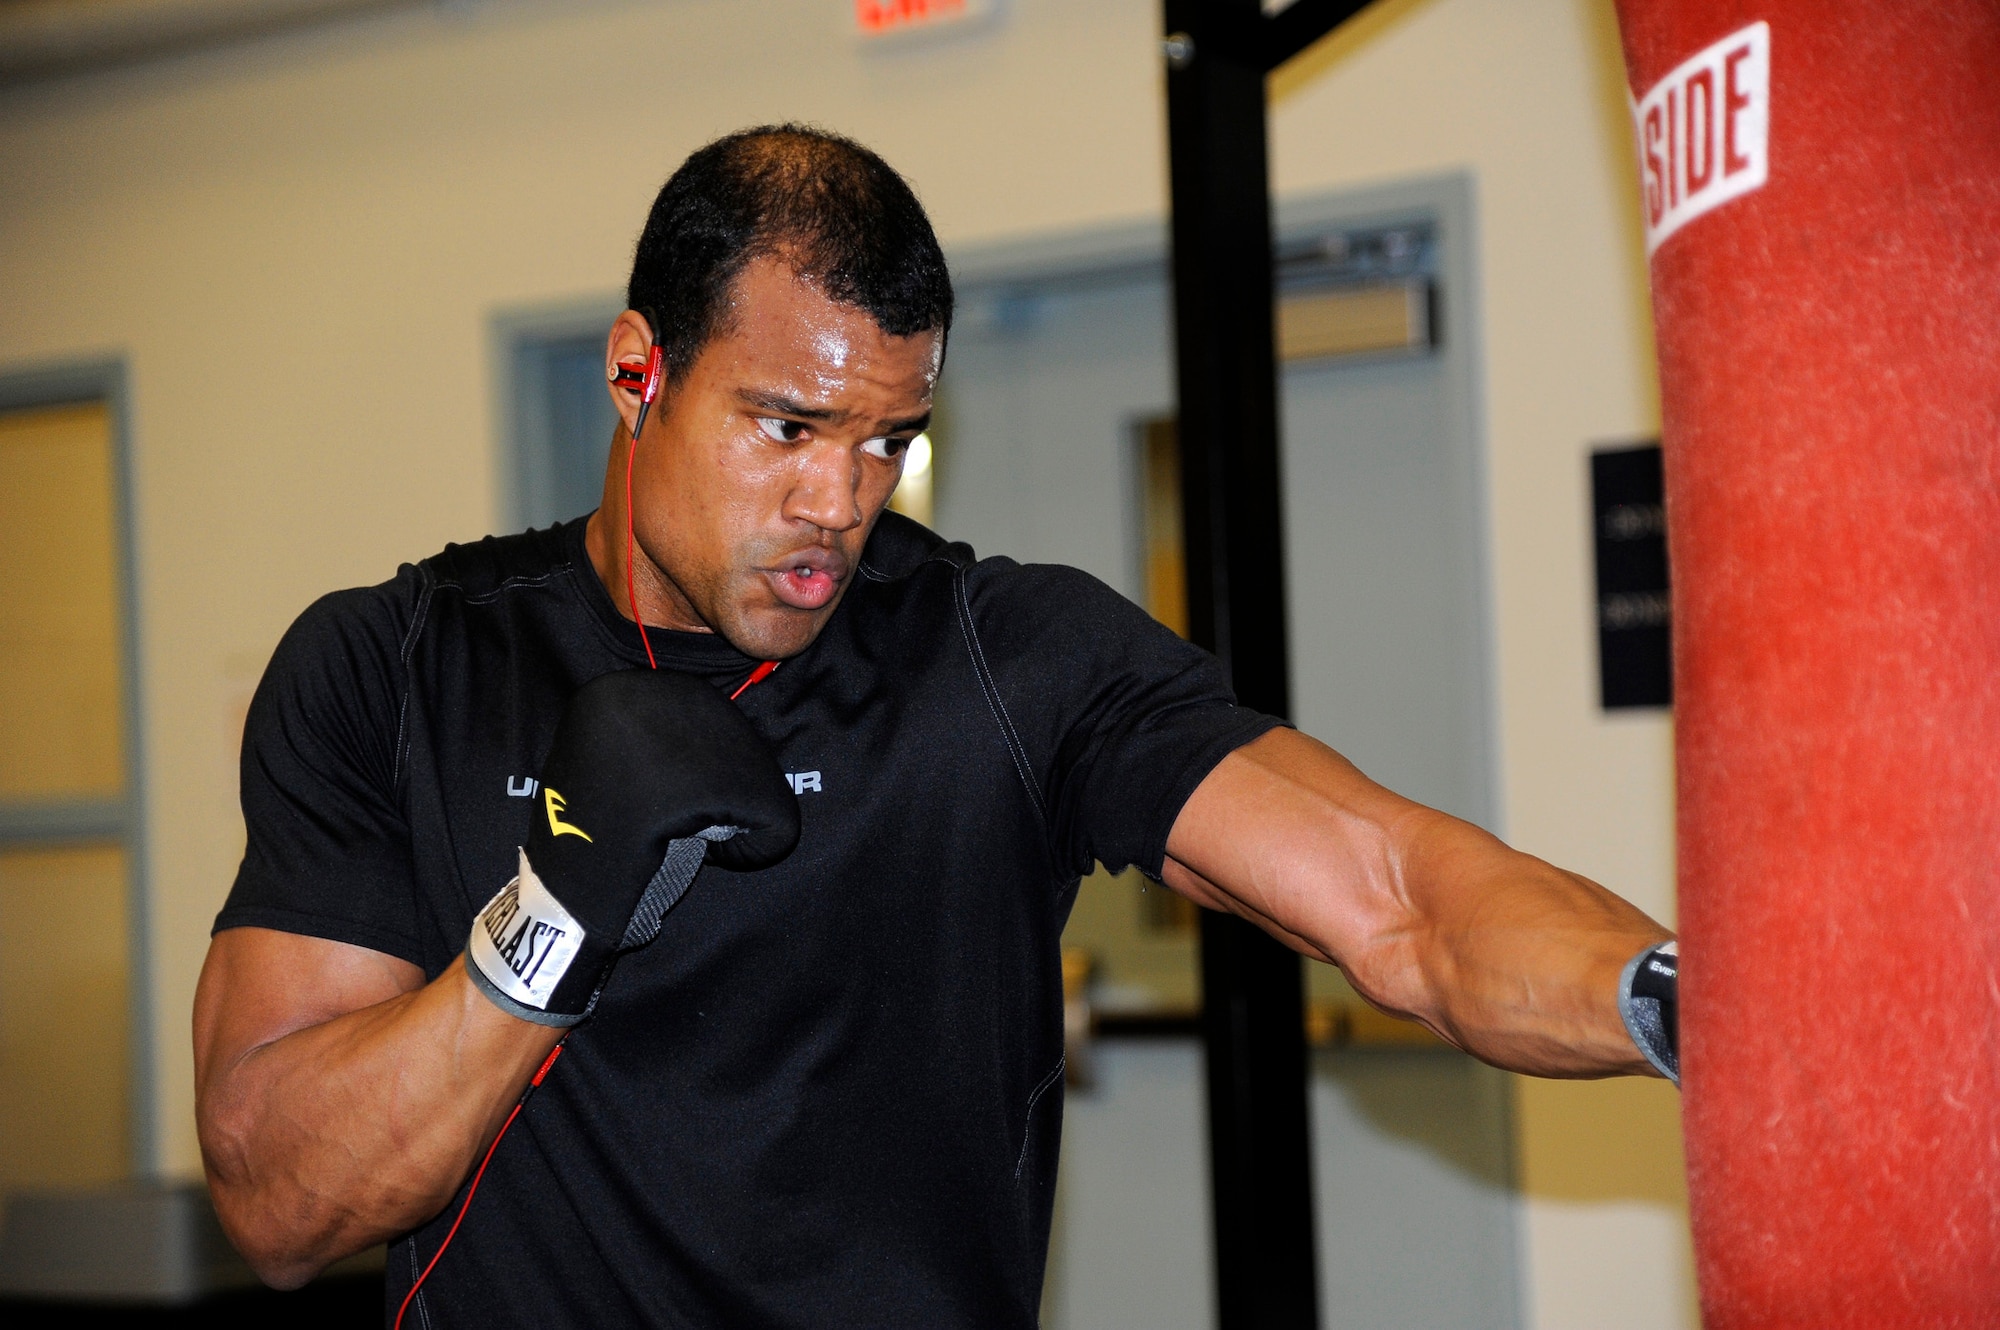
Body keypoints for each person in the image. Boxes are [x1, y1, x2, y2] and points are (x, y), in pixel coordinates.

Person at [193, 124, 1674, 1328]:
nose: (840, 504)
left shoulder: (1007, 659)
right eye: (787, 426)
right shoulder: (394, 665)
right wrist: (544, 927)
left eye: (887, 440)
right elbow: (272, 1201)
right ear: (638, 370)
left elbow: (1404, 900)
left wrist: (1688, 1001)